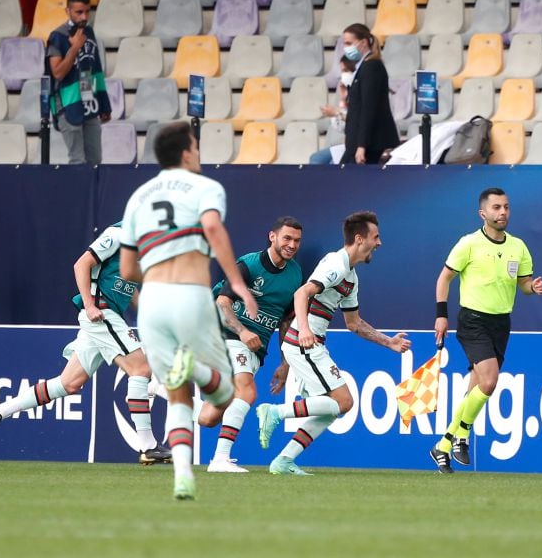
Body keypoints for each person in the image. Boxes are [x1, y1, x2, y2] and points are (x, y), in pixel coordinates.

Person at [119, 121, 259, 501]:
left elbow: (127, 269)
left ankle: (183, 475)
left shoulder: (139, 197)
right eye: (196, 147)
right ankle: (196, 368)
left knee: (178, 394)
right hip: (190, 295)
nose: (199, 153)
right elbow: (213, 228)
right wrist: (238, 283)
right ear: (186, 153)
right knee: (227, 393)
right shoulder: (206, 187)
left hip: (151, 302)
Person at [0, 222, 172, 466]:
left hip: (107, 316)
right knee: (140, 369)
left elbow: (129, 291)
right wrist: (89, 306)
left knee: (68, 383)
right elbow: (81, 264)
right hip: (101, 312)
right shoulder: (119, 234)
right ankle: (148, 446)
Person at [256, 211, 411, 475]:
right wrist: (304, 330)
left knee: (330, 409)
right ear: (360, 239)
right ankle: (274, 412)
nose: (380, 243)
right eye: (376, 237)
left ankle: (283, 461)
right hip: (303, 342)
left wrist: (389, 343)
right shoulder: (336, 264)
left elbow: (354, 324)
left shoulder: (350, 277)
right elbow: (301, 292)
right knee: (344, 401)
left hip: (311, 343)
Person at [430, 188, 542, 474]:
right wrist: (441, 316)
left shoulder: (518, 247)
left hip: (501, 323)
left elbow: (523, 283)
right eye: (496, 207)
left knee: (477, 386)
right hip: (473, 320)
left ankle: (443, 446)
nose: (503, 212)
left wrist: (533, 288)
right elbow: (444, 279)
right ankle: (460, 434)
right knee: (490, 381)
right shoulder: (468, 243)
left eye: (506, 206)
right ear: (483, 213)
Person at [199, 216, 305, 473]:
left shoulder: (295, 274)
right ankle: (220, 460)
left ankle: (169, 387)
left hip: (258, 347)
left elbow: (286, 321)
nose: (292, 245)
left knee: (209, 418)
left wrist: (284, 361)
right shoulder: (248, 264)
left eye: (297, 241)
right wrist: (243, 331)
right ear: (273, 236)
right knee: (247, 392)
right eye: (287, 238)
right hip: (229, 336)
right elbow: (222, 303)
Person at [46, 0, 110, 165]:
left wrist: (104, 103)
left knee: (95, 159)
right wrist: (74, 48)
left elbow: (95, 68)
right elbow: (57, 73)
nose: (84, 17)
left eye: (87, 11)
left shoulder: (89, 32)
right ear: (68, 11)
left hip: (88, 101)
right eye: (79, 12)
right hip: (67, 103)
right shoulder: (57, 36)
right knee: (78, 161)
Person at [339, 23, 400, 164]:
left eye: (349, 43)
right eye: (344, 43)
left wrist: (362, 145)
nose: (346, 47)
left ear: (363, 42)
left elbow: (368, 108)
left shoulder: (372, 67)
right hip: (359, 142)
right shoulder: (362, 67)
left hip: (371, 144)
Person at [310, 58, 355, 165]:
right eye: (342, 71)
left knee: (331, 164)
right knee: (315, 159)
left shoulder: (364, 91)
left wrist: (336, 113)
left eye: (345, 70)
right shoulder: (347, 90)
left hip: (361, 144)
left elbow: (359, 120)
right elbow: (339, 127)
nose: (343, 75)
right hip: (347, 142)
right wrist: (343, 100)